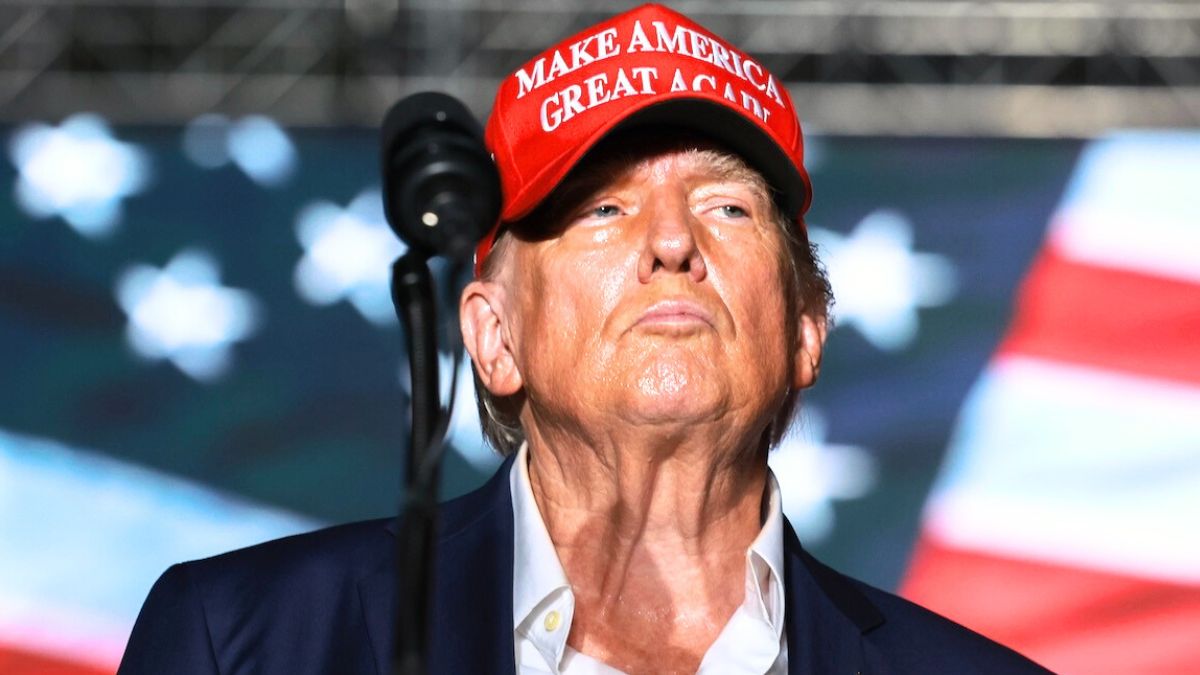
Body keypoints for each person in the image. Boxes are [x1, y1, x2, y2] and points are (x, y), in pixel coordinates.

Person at [118, 5, 1050, 674]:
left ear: (807, 328)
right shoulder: (243, 640)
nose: (674, 242)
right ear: (493, 336)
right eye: (602, 206)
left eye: (728, 204)